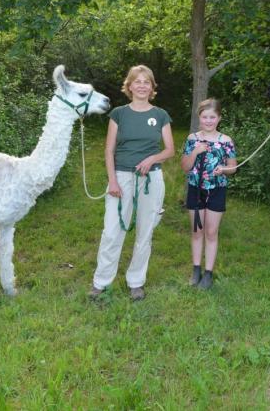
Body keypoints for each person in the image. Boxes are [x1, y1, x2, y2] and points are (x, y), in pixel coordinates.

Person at [89, 65, 174, 301]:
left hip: (151, 179)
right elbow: (109, 151)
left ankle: (136, 281)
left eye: (146, 82)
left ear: (152, 87)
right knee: (112, 231)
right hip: (121, 178)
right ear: (129, 86)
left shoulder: (160, 115)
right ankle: (101, 282)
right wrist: (113, 182)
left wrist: (152, 159)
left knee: (144, 232)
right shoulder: (119, 114)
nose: (142, 85)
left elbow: (169, 150)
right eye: (137, 81)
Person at [180, 98, 237, 290]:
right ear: (199, 118)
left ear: (219, 118)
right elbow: (185, 167)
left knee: (211, 232)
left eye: (213, 117)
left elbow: (233, 167)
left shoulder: (226, 141)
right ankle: (196, 269)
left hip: (217, 190)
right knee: (197, 231)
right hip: (196, 190)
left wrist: (224, 170)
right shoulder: (192, 139)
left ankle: (208, 273)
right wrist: (195, 152)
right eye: (205, 117)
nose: (209, 121)